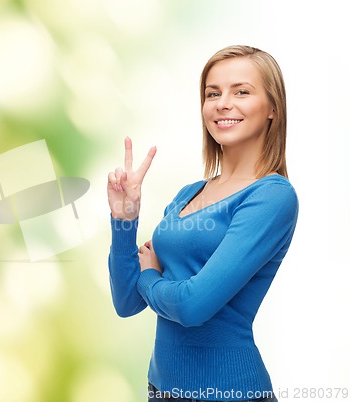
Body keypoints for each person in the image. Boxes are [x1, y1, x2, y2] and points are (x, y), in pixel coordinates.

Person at [107, 45, 298, 402]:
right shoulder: (188, 193)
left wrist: (150, 276)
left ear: (273, 108)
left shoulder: (272, 197)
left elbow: (192, 307)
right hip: (161, 389)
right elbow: (127, 302)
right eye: (213, 93)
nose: (223, 103)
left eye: (241, 91)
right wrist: (124, 220)